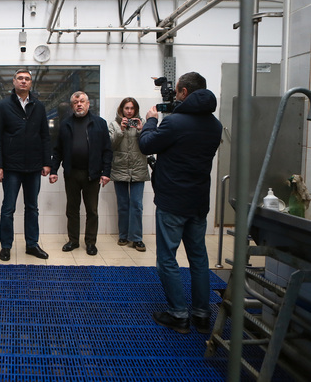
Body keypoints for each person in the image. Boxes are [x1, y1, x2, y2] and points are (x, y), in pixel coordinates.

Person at [139, 72, 222, 334]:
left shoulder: (175, 122)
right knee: (199, 259)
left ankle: (178, 314)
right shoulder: (215, 125)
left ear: (184, 92)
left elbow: (146, 145)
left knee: (167, 259)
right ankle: (202, 314)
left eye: (177, 91)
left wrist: (151, 121)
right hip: (198, 201)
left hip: (173, 201)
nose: (174, 95)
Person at [0, 68, 52, 261]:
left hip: (34, 166)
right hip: (11, 167)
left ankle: (32, 244)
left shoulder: (39, 106)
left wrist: (47, 162)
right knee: (8, 208)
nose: (23, 81)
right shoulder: (2, 106)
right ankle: (6, 246)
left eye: (27, 79)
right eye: (20, 78)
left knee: (32, 207)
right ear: (14, 82)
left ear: (31, 83)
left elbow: (45, 136)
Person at [49, 91, 112, 256]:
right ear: (72, 106)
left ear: (88, 104)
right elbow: (58, 150)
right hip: (71, 173)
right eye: (76, 102)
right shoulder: (65, 124)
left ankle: (90, 243)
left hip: (93, 174)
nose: (79, 104)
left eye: (82, 101)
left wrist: (106, 172)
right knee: (72, 210)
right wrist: (54, 170)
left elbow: (107, 150)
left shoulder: (99, 123)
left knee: (92, 210)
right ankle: (73, 241)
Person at [108, 97, 150, 252]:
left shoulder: (142, 124)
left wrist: (140, 131)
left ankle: (137, 238)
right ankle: (123, 235)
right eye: (127, 108)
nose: (129, 111)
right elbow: (110, 145)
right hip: (120, 168)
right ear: (121, 109)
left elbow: (148, 145)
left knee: (137, 205)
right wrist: (121, 130)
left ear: (136, 110)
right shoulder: (114, 124)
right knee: (123, 205)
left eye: (132, 108)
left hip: (138, 169)